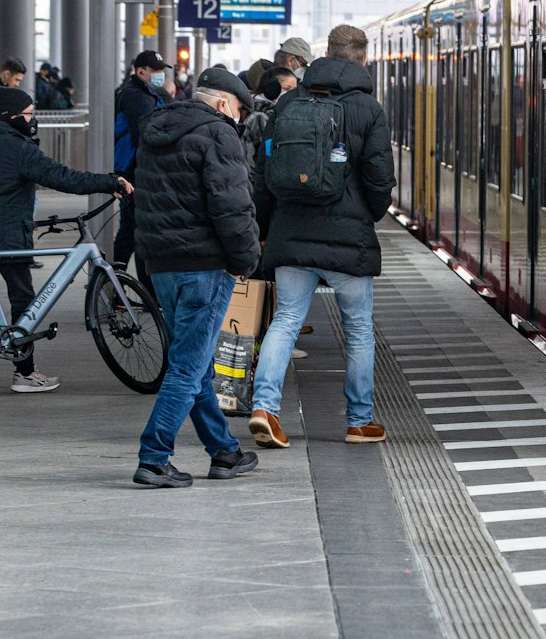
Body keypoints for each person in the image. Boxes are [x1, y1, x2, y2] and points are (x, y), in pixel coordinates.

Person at [247, 25, 395, 448]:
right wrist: (368, 213)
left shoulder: (290, 100)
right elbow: (380, 177)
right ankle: (359, 421)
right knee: (359, 329)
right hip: (349, 237)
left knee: (286, 320)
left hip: (292, 230)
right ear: (362, 60)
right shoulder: (368, 109)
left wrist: (261, 227)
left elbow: (264, 172)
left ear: (325, 54)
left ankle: (265, 410)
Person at [129, 68, 262, 488]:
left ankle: (224, 452)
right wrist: (246, 259)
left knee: (196, 361)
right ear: (224, 103)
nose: (239, 118)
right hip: (205, 266)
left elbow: (145, 200)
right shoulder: (219, 135)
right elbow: (232, 206)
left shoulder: (155, 131)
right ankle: (154, 457)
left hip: (162, 264)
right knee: (187, 366)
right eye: (239, 109)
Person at [0, 87, 131, 394]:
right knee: (24, 302)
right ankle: (24, 372)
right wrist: (108, 182)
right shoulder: (18, 148)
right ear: (11, 117)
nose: (32, 119)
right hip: (8, 237)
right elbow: (61, 177)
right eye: (28, 114)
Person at [112, 51, 170, 269]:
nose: (160, 75)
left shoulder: (144, 93)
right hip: (135, 170)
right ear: (141, 71)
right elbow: (146, 134)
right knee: (142, 232)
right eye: (156, 71)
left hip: (133, 169)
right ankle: (145, 292)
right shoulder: (136, 96)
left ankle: (114, 285)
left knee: (129, 230)